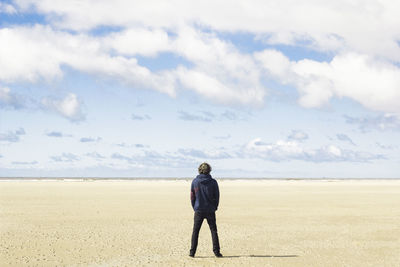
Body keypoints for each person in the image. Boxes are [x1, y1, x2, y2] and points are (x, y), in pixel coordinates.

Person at [189, 162, 222, 258]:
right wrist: (215, 206)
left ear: (200, 170)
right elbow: (217, 196)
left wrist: (195, 207)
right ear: (209, 170)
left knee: (196, 231)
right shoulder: (213, 182)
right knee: (213, 231)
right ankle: (217, 252)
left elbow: (192, 197)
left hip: (199, 209)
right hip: (209, 209)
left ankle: (192, 252)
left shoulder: (195, 181)